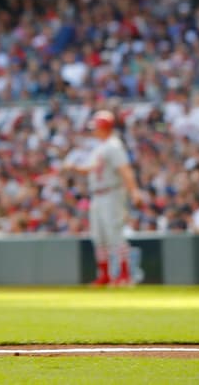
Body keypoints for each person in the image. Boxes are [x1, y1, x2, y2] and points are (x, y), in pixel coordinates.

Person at [70, 110, 143, 287]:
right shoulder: (100, 147)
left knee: (114, 234)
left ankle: (124, 275)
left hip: (112, 193)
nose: (93, 130)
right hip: (97, 195)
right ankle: (105, 275)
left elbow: (124, 169)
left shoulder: (113, 145)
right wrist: (75, 168)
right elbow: (92, 169)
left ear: (104, 127)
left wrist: (134, 191)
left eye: (96, 126)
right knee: (99, 237)